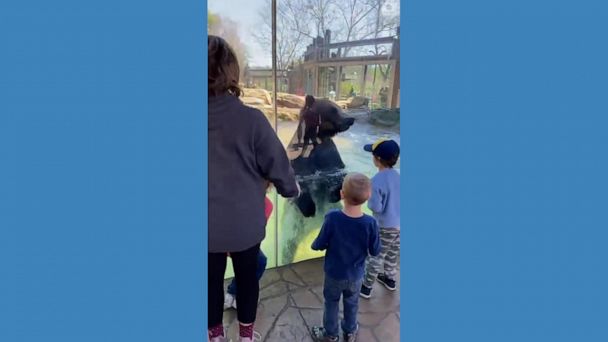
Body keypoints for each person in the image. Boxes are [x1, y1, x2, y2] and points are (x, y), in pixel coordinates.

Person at [208, 35, 300, 342]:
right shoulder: (252, 120)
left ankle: (215, 336)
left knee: (209, 284)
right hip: (245, 227)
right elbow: (279, 167)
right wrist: (290, 190)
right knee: (247, 281)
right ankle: (246, 337)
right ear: (232, 73)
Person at [310, 173, 380, 342]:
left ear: (341, 194)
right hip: (355, 275)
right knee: (352, 302)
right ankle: (349, 332)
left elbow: (319, 243)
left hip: (334, 274)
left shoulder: (332, 218)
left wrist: (316, 246)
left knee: (331, 302)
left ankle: (331, 334)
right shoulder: (371, 223)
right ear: (368, 196)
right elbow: (375, 250)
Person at [359, 139, 401, 299]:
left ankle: (366, 287)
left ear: (377, 159)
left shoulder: (376, 181)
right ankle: (390, 279)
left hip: (384, 226)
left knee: (376, 255)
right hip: (400, 224)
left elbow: (376, 207)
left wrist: (369, 198)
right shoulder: (399, 177)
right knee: (393, 252)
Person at [223, 183, 273, 310]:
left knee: (260, 261)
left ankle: (237, 291)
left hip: (245, 241)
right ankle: (235, 292)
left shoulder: (267, 205)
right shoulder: (234, 196)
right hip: (223, 237)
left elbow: (257, 232)